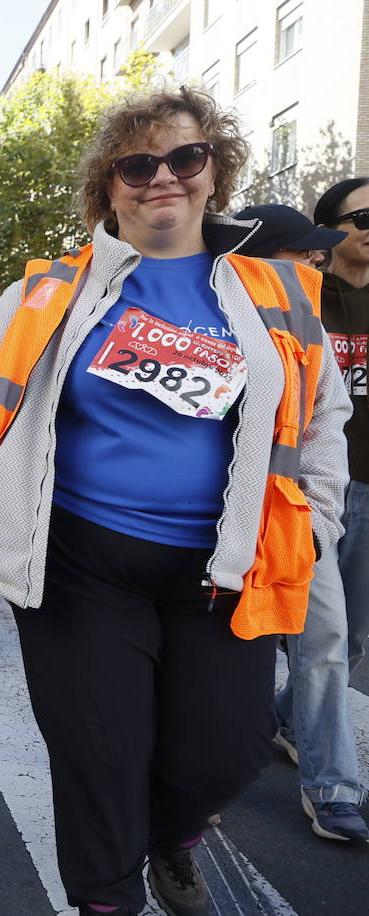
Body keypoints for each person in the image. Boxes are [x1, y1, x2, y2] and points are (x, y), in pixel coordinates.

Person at [0, 87, 352, 916]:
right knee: (97, 755)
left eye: (185, 157)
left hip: (228, 565)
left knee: (229, 748)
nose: (162, 176)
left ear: (214, 170)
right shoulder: (51, 288)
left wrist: (318, 524)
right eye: (138, 164)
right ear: (110, 184)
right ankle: (107, 900)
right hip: (78, 560)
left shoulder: (275, 290)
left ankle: (170, 835)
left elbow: (322, 422)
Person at [234, 202, 368, 841]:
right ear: (255, 257)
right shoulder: (206, 318)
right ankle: (199, 781)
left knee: (326, 645)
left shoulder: (307, 322)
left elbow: (327, 421)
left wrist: (318, 517)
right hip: (215, 527)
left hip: (294, 521)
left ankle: (334, 790)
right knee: (225, 658)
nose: (318, 259)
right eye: (304, 251)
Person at [314, 178, 369, 683]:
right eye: (363, 219)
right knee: (320, 631)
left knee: (353, 634)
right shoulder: (303, 295)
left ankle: (285, 722)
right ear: (329, 232)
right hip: (314, 481)